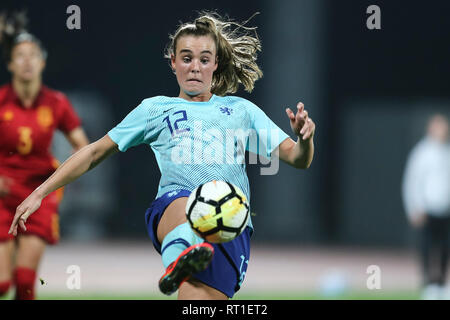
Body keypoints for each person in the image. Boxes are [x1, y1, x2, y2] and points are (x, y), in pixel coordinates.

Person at [8, 12, 315, 300]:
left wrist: (304, 138)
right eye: (186, 58)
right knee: (186, 200)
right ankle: (178, 258)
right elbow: (94, 152)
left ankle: (183, 256)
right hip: (174, 207)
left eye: (204, 59)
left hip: (230, 227)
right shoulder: (155, 109)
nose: (195, 66)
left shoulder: (241, 111)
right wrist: (40, 192)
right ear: (173, 62)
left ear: (216, 64)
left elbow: (297, 158)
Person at [0, 12, 89, 300]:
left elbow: (84, 149)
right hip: (2, 195)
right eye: (20, 56)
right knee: (2, 284)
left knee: (25, 283)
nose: (27, 61)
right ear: (10, 64)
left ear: (43, 62)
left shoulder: (56, 103)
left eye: (33, 55)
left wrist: (57, 182)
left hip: (37, 196)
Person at [402, 114, 450, 300]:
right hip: (427, 209)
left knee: (445, 248)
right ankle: (428, 285)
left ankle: (441, 284)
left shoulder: (447, 151)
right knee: (427, 248)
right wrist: (414, 207)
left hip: (445, 209)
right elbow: (412, 181)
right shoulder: (421, 152)